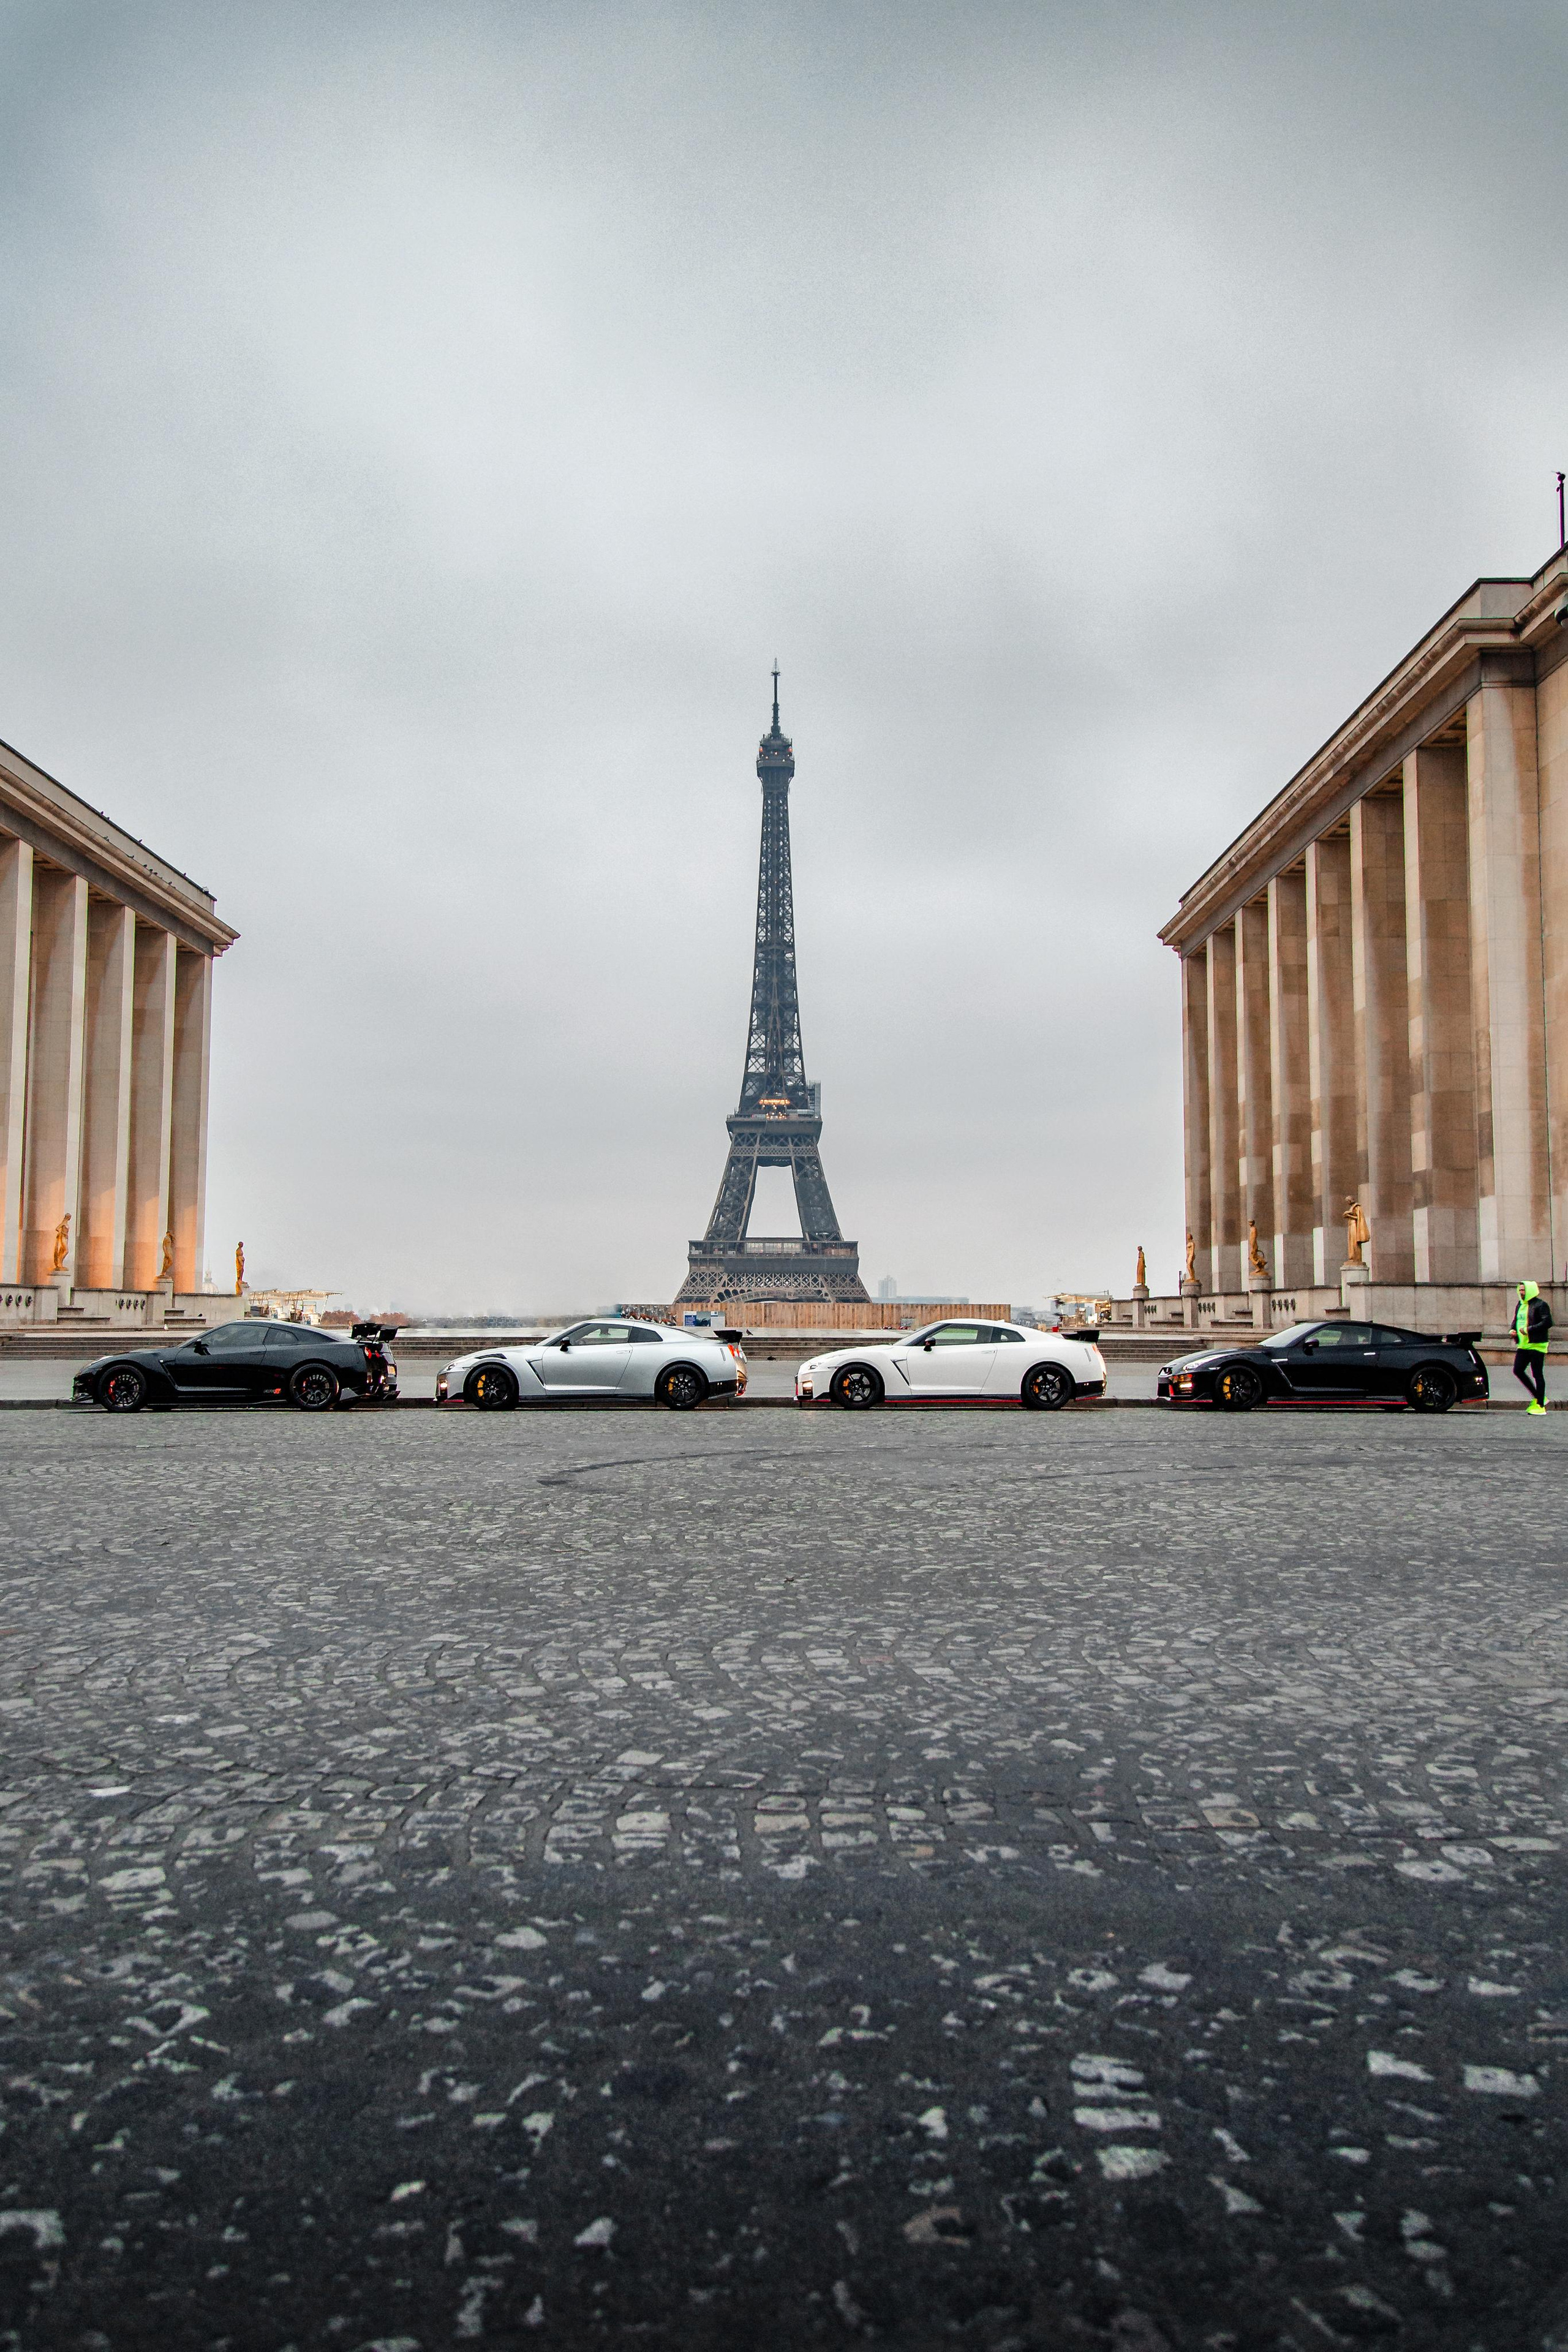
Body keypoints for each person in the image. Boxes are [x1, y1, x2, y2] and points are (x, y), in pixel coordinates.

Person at [1513, 1281, 1552, 1414]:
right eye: (1520, 1290)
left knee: (1537, 1374)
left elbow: (1547, 1322)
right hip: (1523, 1345)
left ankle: (1540, 1406)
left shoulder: (1541, 1305)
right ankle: (1539, 1397)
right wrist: (1513, 1330)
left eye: (1523, 1290)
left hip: (1537, 1345)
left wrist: (1529, 1330)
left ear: (1530, 1290)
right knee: (1518, 1370)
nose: (1521, 1293)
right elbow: (1517, 1320)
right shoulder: (1520, 1305)